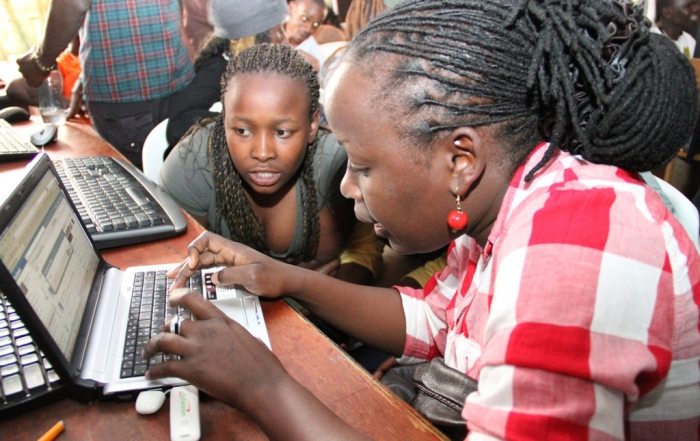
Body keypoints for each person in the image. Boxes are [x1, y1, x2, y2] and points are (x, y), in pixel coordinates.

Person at [144, 1, 700, 440]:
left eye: (362, 166)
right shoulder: (504, 204)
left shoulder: (577, 234)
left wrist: (261, 384)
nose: (346, 186)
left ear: (461, 161)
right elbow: (434, 321)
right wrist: (283, 275)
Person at [161, 43, 380, 287]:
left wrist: (325, 291)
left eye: (282, 132)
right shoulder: (193, 165)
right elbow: (177, 266)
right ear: (224, 120)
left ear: (313, 125)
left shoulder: (336, 167)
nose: (263, 153)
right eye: (243, 130)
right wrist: (292, 284)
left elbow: (362, 251)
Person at [16, 0, 194, 169]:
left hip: (128, 98)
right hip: (180, 83)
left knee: (135, 193)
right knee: (181, 184)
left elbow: (72, 3)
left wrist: (41, 62)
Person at [165, 0, 289, 151]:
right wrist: (244, 125)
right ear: (256, 39)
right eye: (279, 31)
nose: (286, 40)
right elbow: (178, 123)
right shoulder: (218, 70)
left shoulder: (258, 66)